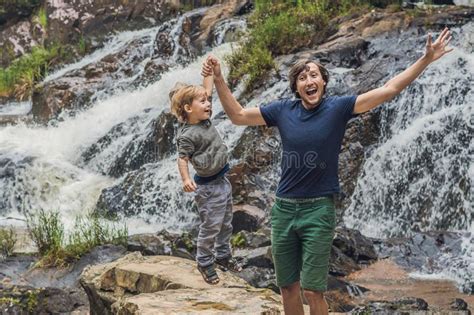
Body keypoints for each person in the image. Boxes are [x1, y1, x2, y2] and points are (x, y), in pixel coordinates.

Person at [201, 28, 453, 314]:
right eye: (302, 77)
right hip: (283, 210)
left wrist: (426, 59)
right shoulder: (283, 110)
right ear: (296, 86)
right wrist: (220, 79)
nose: (309, 80)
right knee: (287, 287)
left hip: (319, 210)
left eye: (314, 75)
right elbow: (237, 116)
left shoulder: (339, 107)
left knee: (313, 289)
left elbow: (389, 89)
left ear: (323, 81)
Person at [169, 74, 242, 285]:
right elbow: (182, 159)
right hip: (208, 188)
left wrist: (209, 73)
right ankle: (204, 261)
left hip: (222, 182)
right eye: (202, 102)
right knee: (210, 226)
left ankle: (223, 255)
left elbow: (207, 90)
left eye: (207, 101)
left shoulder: (204, 118)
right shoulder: (187, 135)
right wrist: (185, 179)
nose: (208, 103)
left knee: (226, 224)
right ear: (188, 109)